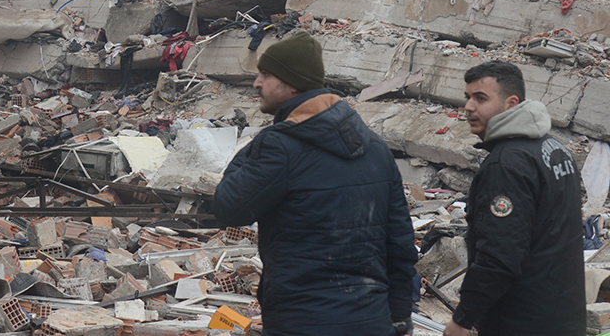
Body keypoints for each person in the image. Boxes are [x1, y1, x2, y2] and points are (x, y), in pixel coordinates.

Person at [214, 31, 417, 336]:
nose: (257, 83)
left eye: (265, 75)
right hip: (371, 322)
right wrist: (400, 317)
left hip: (300, 322)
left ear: (293, 83)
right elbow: (400, 244)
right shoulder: (376, 148)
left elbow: (228, 207)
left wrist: (259, 143)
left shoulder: (278, 145)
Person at [442, 61, 583, 336]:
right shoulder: (554, 149)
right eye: (467, 97)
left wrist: (463, 319)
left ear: (511, 103)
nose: (468, 107)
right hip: (564, 316)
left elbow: (499, 255)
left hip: (522, 321)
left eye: (480, 98)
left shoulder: (506, 165)